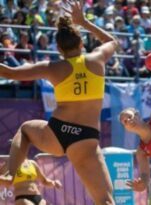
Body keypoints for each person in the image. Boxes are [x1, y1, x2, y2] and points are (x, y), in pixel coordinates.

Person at [0, 2, 118, 204]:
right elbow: (112, 41)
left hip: (57, 133)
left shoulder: (53, 67)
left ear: (59, 49)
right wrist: (84, 22)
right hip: (85, 139)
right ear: (81, 43)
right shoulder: (97, 59)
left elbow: (9, 72)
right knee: (105, 201)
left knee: (27, 129)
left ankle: (11, 174)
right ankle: (11, 174)